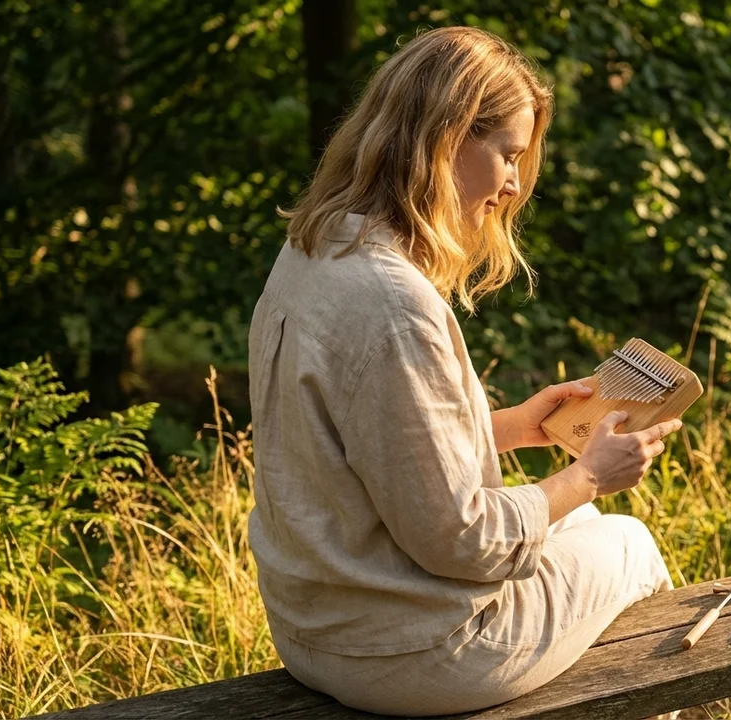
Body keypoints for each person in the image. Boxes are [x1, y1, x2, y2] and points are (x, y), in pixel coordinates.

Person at [247, 26, 682, 717]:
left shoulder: (314, 248)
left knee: (581, 523)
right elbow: (463, 540)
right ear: (448, 137)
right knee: (628, 541)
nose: (513, 186)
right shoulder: (395, 302)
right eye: (508, 155)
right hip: (412, 654)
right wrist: (588, 473)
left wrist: (512, 427)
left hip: (313, 629)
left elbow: (372, 448)